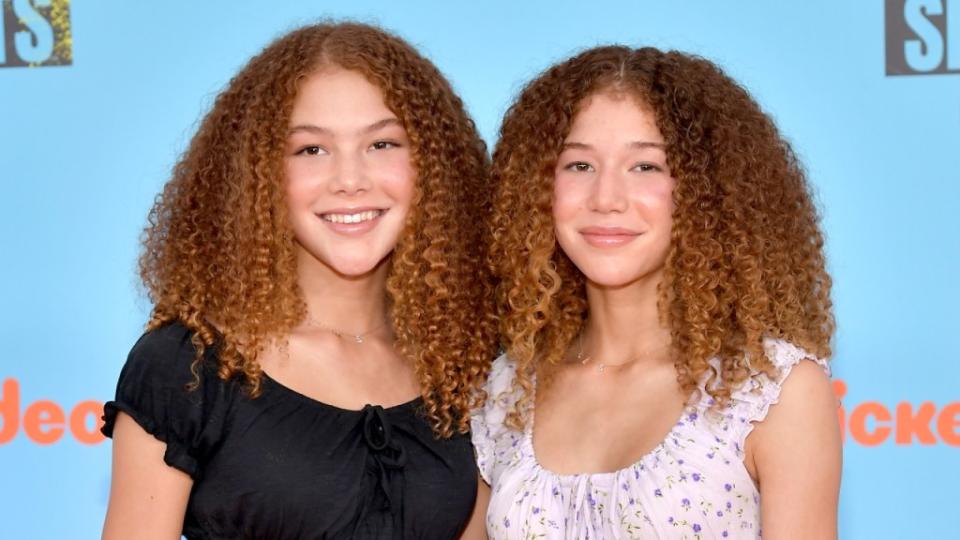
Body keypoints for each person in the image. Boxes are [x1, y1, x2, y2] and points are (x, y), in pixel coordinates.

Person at [101, 22, 496, 539]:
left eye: (382, 143)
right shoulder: (188, 366)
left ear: (434, 165)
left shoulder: (467, 359)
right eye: (311, 150)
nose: (350, 180)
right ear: (257, 175)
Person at [472, 46, 841, 539]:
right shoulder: (504, 391)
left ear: (706, 190)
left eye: (645, 166)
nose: (606, 199)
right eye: (579, 165)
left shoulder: (769, 389)